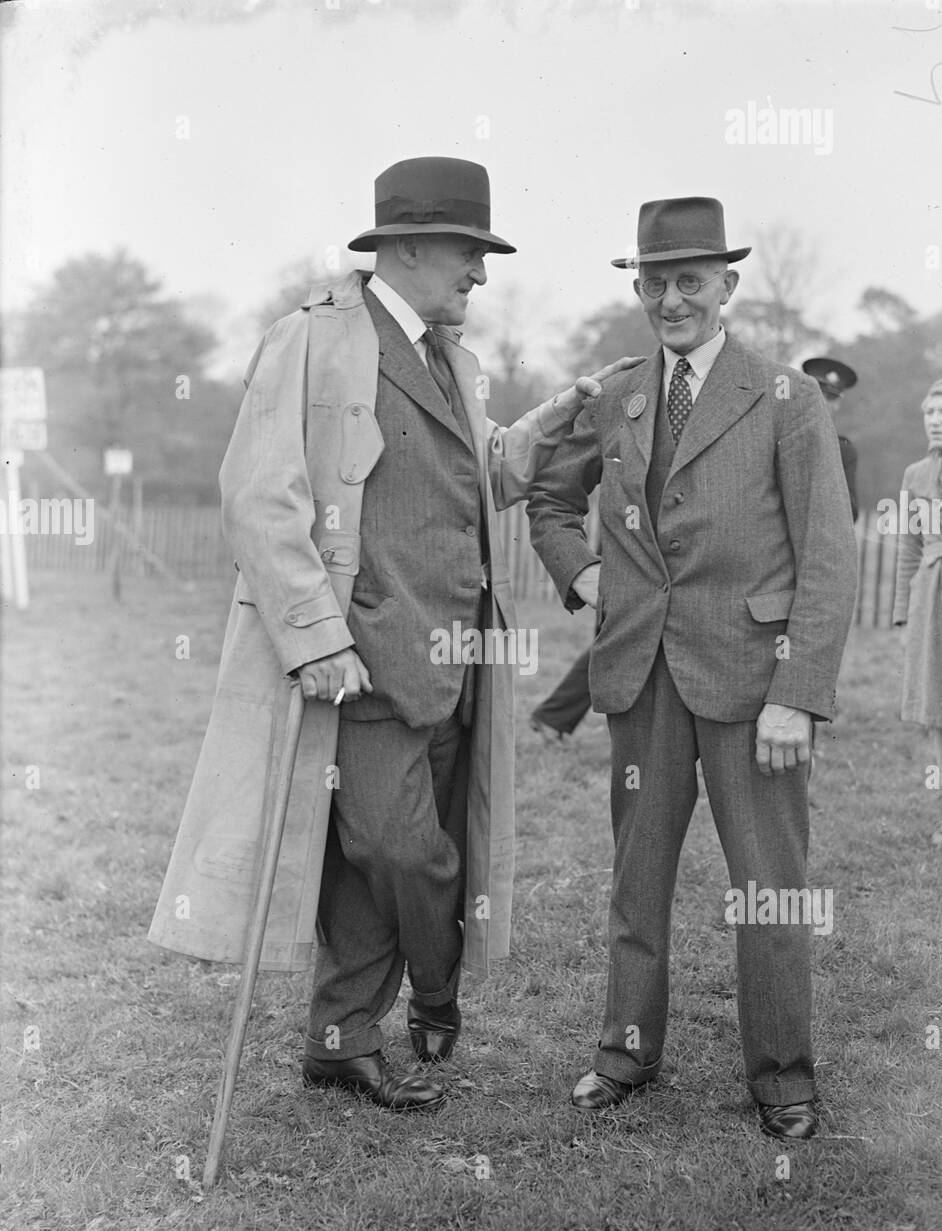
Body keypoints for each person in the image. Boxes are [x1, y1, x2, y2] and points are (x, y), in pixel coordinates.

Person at [149, 156, 640, 1113]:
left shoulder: (453, 359)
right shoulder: (312, 343)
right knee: (404, 849)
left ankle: (342, 1042)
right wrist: (315, 639)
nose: (482, 277)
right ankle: (439, 987)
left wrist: (564, 409)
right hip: (362, 663)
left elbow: (480, 478)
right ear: (408, 247)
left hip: (460, 664)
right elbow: (260, 498)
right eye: (469, 255)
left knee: (373, 860)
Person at [526, 196, 857, 1140]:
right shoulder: (618, 392)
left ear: (727, 288)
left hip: (756, 686)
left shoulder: (787, 398)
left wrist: (796, 696)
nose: (672, 300)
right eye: (655, 282)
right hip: (639, 680)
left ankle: (783, 1077)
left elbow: (826, 557)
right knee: (638, 882)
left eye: (690, 283)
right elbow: (550, 496)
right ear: (637, 286)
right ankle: (626, 1054)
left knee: (769, 885)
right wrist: (583, 573)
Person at [895, 377, 942, 848]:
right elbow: (907, 548)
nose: (935, 421)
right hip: (931, 600)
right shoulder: (914, 476)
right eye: (930, 413)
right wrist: (904, 616)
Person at [801, 357, 860, 521]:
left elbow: (851, 512)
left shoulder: (843, 450)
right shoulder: (778, 436)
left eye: (831, 397)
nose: (824, 403)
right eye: (818, 394)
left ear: (837, 404)